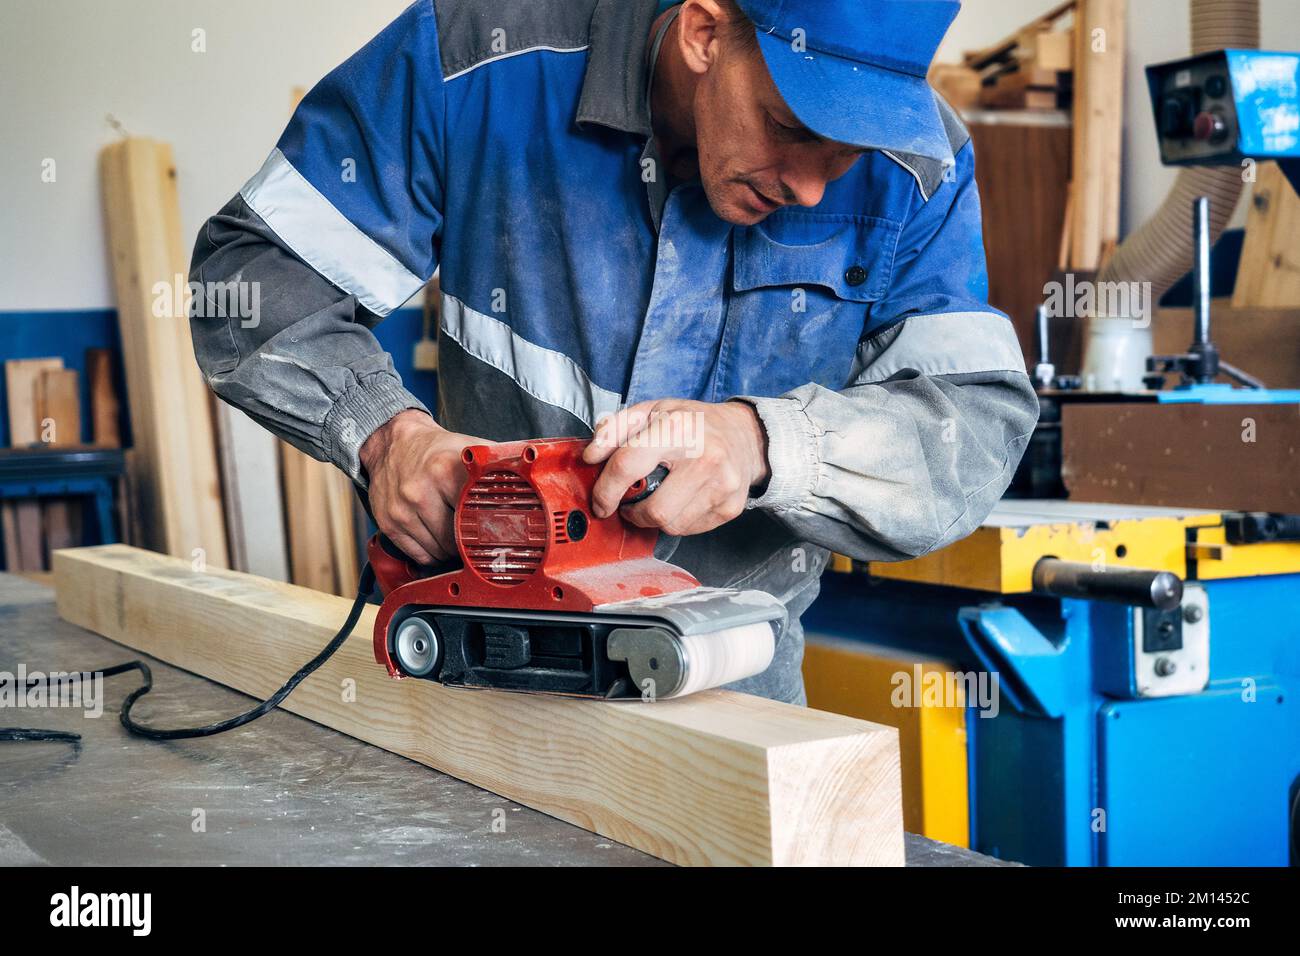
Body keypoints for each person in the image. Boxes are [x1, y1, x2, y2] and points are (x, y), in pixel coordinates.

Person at [188, 0, 1038, 705]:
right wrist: (385, 435)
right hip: (487, 663)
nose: (812, 188)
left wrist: (762, 445)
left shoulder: (920, 164)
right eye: (787, 127)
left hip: (735, 678)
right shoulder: (479, 58)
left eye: (846, 157)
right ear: (706, 32)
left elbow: (972, 422)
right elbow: (249, 274)